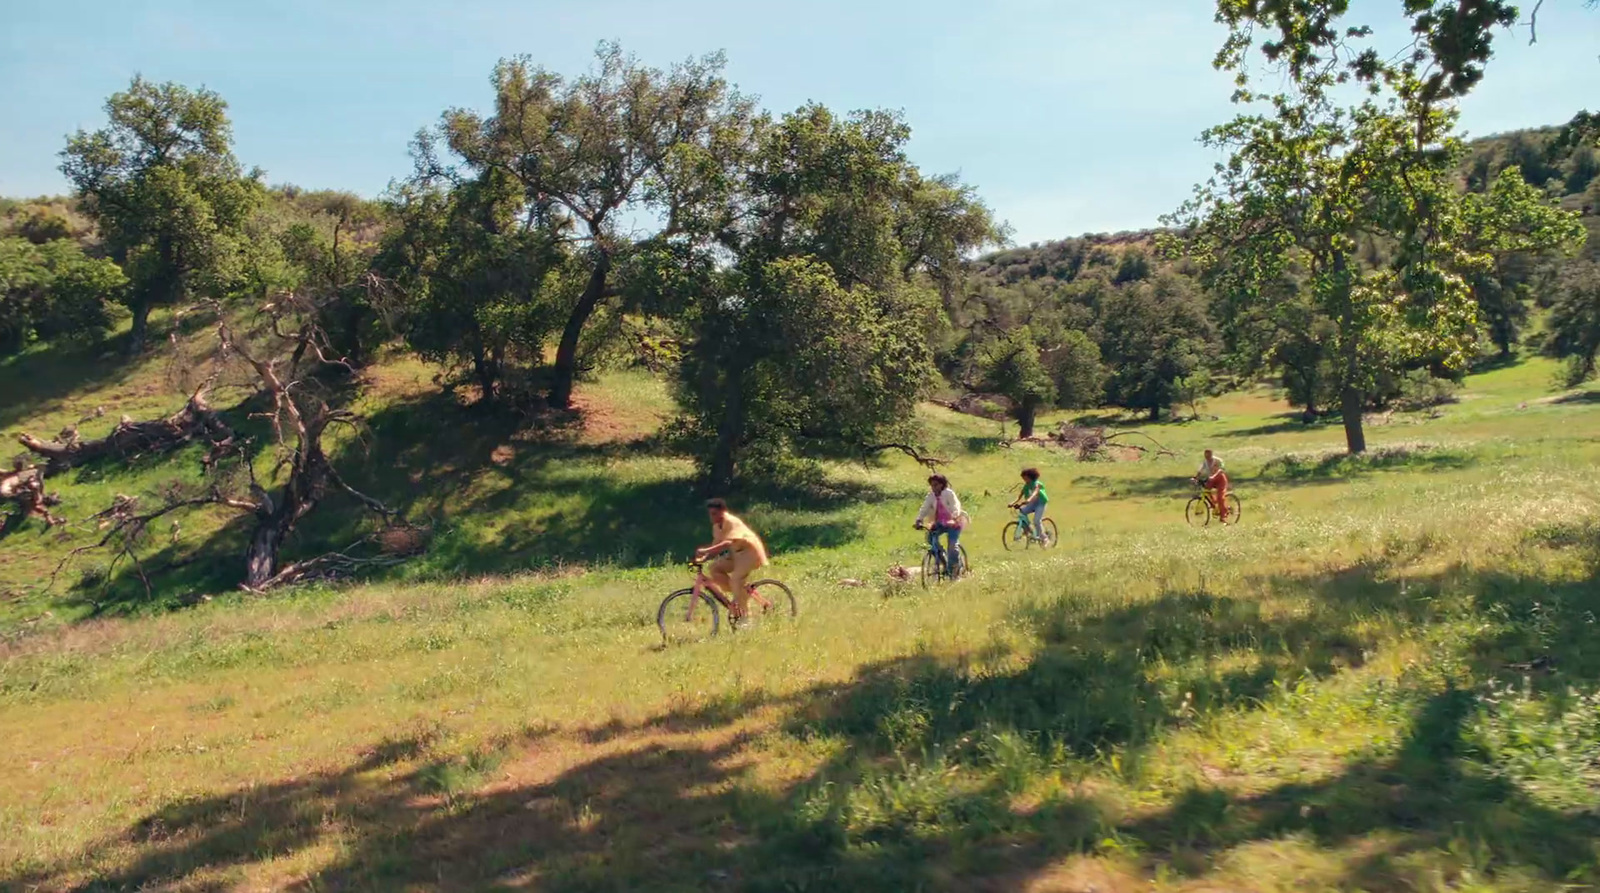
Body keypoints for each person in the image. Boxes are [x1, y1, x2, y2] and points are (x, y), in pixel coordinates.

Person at [695, 498, 770, 619]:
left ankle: (745, 617)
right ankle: (741, 593)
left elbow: (728, 542)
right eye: (710, 514)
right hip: (737, 554)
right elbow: (716, 547)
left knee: (735, 580)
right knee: (714, 568)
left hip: (750, 552)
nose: (711, 517)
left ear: (723, 511)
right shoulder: (717, 527)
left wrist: (705, 550)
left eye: (714, 513)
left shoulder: (731, 521)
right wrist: (703, 558)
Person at [914, 474, 967, 577]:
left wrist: (954, 517)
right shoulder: (931, 496)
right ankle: (942, 558)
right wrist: (919, 520)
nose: (933, 487)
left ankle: (955, 572)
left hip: (953, 523)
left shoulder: (948, 493)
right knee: (930, 539)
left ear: (942, 485)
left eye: (936, 485)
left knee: (952, 546)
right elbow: (924, 508)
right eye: (932, 485)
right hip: (939, 523)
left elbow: (956, 505)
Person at [1010, 467, 1049, 542]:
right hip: (1032, 503)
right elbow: (1020, 496)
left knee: (1036, 520)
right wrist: (1013, 503)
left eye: (1025, 478)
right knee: (1022, 512)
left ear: (1030, 477)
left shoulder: (1037, 484)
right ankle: (1028, 531)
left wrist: (1029, 500)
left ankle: (1044, 538)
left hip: (1041, 503)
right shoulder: (1026, 485)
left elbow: (1035, 492)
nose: (1024, 480)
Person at [1195, 449, 1229, 521]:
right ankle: (1215, 506)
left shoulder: (1218, 460)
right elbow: (1200, 470)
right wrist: (1195, 478)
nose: (1207, 457)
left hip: (1220, 479)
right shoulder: (1205, 462)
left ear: (1211, 454)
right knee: (1206, 491)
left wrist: (1214, 476)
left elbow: (1221, 470)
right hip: (1211, 479)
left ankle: (1223, 516)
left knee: (1220, 497)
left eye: (1208, 455)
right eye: (1205, 455)